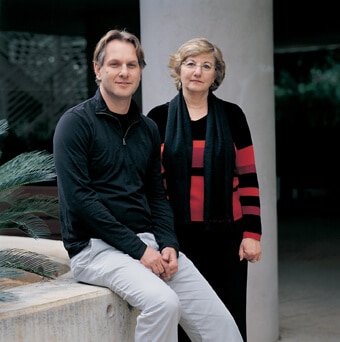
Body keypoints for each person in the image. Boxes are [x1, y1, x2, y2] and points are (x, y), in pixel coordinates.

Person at [53, 29, 243, 342]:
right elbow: (80, 200)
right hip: (95, 249)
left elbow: (156, 193)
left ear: (141, 70)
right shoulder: (75, 124)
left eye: (132, 64)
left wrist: (168, 244)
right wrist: (140, 250)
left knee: (223, 328)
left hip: (149, 245)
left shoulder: (147, 129)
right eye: (115, 64)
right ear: (98, 70)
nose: (124, 72)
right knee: (163, 304)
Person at [147, 38, 262, 342]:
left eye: (206, 65)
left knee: (230, 315)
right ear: (179, 70)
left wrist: (252, 234)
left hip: (228, 235)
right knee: (185, 318)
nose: (197, 71)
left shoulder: (233, 116)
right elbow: (150, 185)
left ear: (215, 75)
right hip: (176, 238)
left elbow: (248, 176)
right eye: (190, 63)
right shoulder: (156, 119)